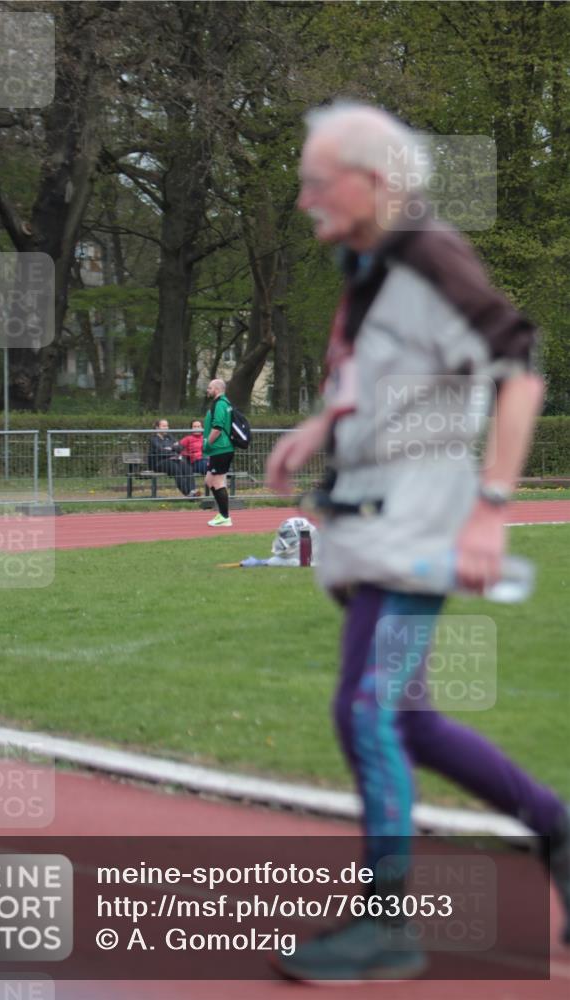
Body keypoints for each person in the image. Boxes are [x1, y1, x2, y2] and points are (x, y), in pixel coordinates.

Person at [266, 101, 570, 982]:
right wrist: (320, 424)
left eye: (316, 182)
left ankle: (387, 923)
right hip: (379, 520)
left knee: (365, 710)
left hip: (420, 527)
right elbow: (389, 380)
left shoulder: (429, 256)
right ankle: (555, 828)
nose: (303, 199)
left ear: (369, 181)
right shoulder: (369, 267)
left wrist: (489, 508)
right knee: (406, 718)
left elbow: (519, 366)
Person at [203, 379, 234, 526]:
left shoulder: (221, 404)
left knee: (217, 481)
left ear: (216, 389)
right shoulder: (222, 403)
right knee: (210, 480)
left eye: (209, 388)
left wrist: (207, 443)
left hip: (221, 448)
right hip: (219, 449)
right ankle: (223, 515)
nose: (207, 390)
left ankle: (224, 516)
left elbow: (217, 427)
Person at [147, 419, 199, 498]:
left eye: (167, 426)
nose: (166, 428)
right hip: (158, 463)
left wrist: (171, 448)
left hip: (172, 459)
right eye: (163, 426)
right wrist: (172, 449)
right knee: (175, 467)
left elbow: (180, 447)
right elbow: (161, 451)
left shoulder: (169, 437)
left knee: (186, 466)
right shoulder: (154, 439)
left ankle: (193, 491)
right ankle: (188, 493)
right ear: (157, 427)